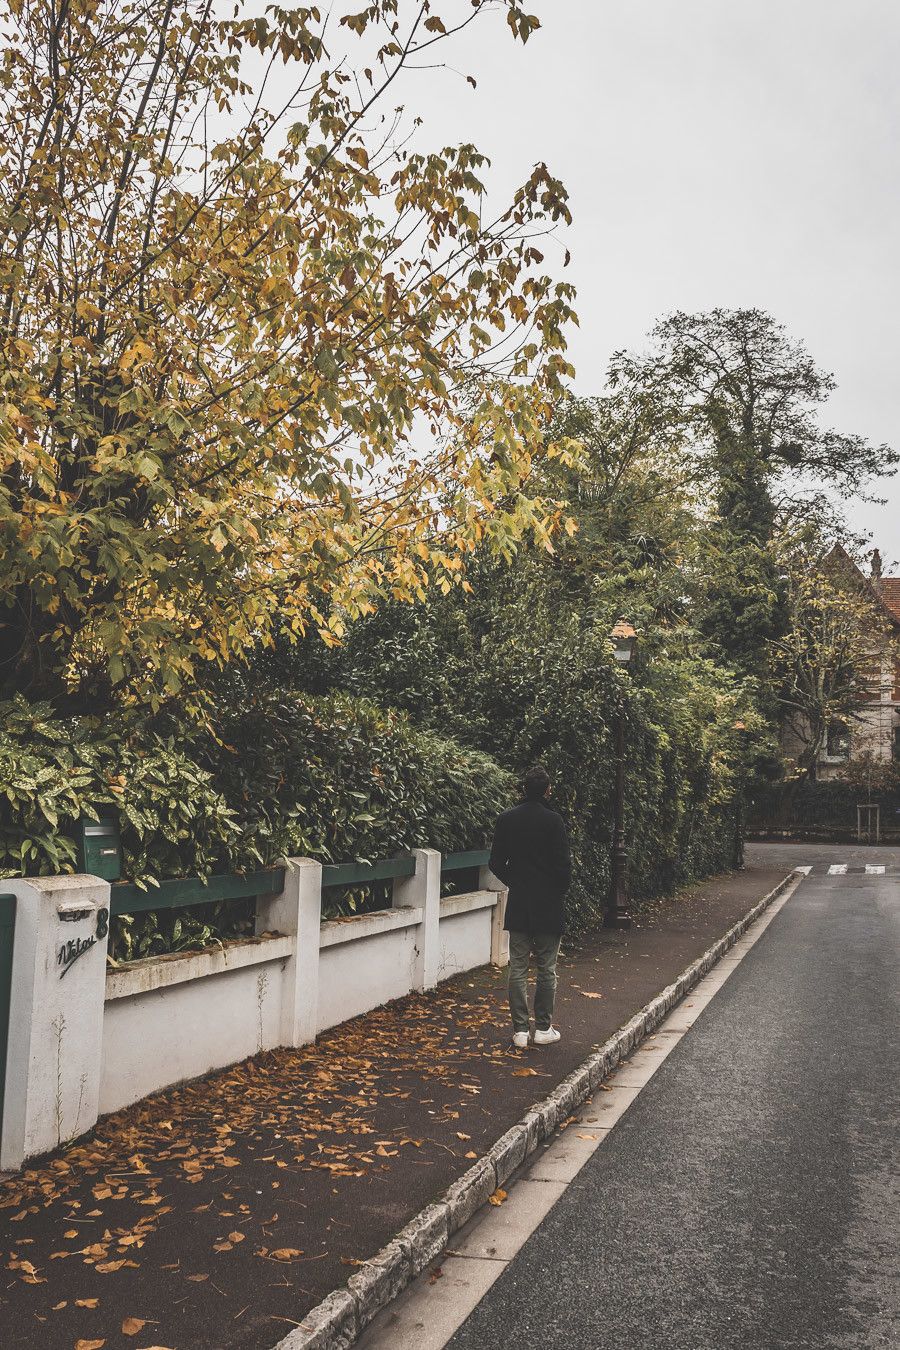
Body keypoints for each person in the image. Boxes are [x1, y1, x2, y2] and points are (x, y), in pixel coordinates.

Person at [488, 765, 572, 1048]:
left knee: (518, 967)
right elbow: (564, 866)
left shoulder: (507, 819)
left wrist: (517, 882)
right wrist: (556, 891)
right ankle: (543, 1028)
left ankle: (520, 1031)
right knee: (547, 967)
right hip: (549, 902)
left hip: (520, 902)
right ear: (548, 790)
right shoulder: (554, 821)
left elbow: (495, 863)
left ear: (523, 789)